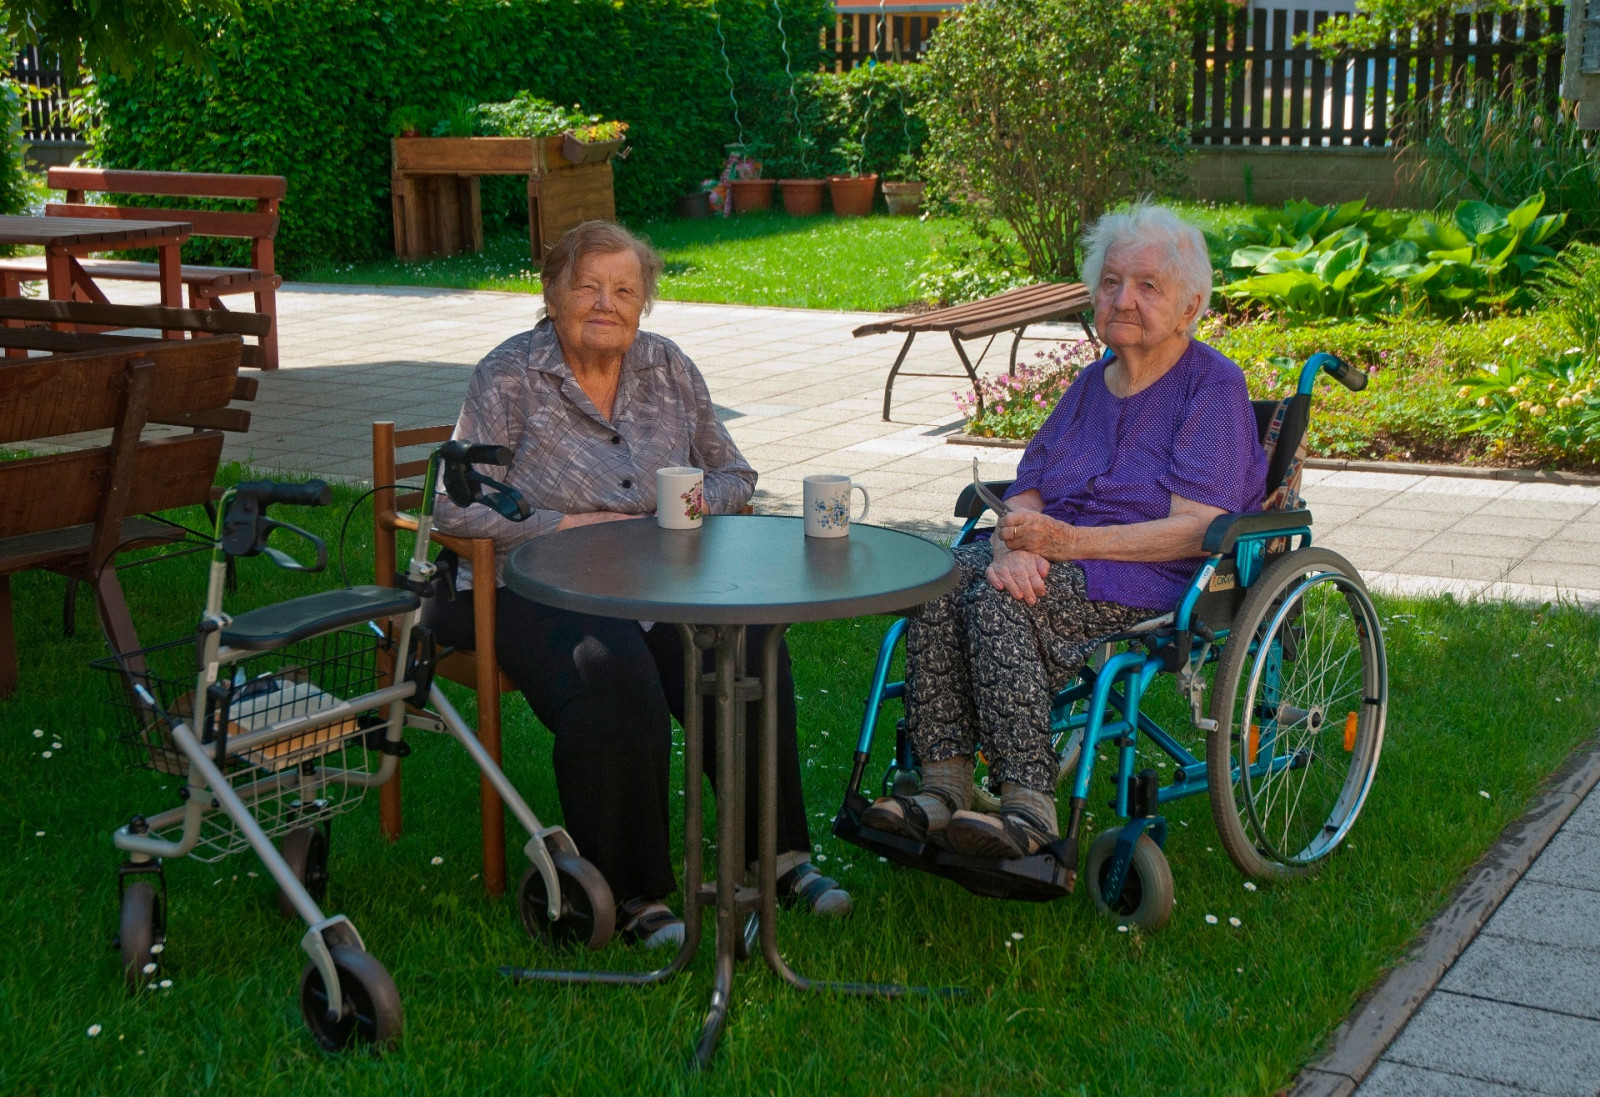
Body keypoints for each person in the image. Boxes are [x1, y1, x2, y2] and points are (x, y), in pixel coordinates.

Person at [426, 221, 849, 947]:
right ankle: (630, 894)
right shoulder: (508, 375)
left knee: (748, 649)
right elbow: (453, 506)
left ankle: (775, 855)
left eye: (625, 289)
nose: (605, 303)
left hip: (652, 580)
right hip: (525, 586)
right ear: (552, 293)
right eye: (587, 285)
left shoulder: (668, 367)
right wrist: (564, 526)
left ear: (644, 303)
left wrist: (678, 510)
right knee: (609, 675)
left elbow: (733, 473)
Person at [862, 203, 1267, 860]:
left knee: (1000, 599)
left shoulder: (1212, 386)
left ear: (1190, 308)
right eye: (1110, 282)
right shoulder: (1088, 385)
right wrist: (1006, 545)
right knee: (940, 579)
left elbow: (1199, 528)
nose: (1123, 299)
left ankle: (1029, 805)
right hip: (1056, 556)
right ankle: (941, 787)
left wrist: (1064, 545)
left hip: (1148, 574)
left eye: (1146, 286)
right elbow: (1027, 488)